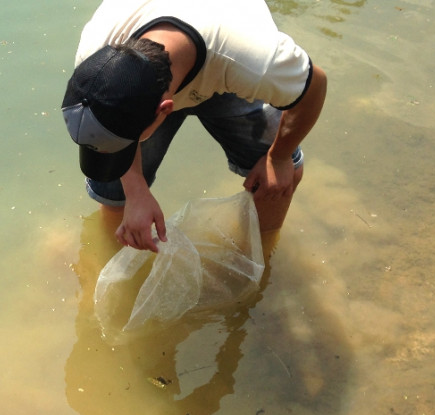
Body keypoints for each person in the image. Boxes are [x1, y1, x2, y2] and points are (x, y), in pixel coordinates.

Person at [62, 0, 327, 252]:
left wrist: (279, 157)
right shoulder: (95, 58)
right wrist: (135, 190)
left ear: (166, 109)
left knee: (283, 172)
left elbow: (315, 85)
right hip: (170, 76)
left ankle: (262, 256)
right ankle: (113, 260)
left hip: (225, 71)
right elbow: (109, 132)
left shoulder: (254, 61)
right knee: (114, 187)